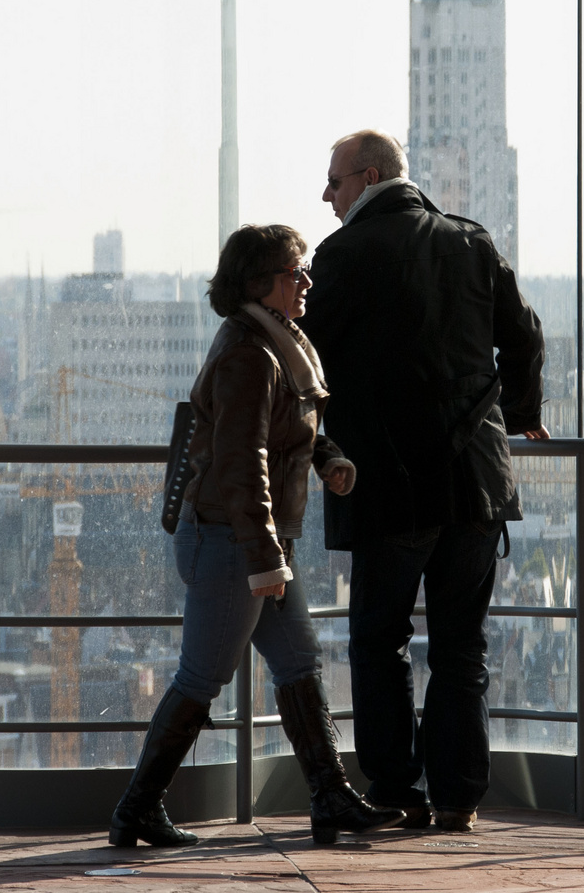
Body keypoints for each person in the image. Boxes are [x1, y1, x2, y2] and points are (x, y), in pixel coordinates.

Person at [109, 224, 403, 848]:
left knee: (298, 663)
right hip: (234, 542)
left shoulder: (279, 343)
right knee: (201, 676)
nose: (305, 282)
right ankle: (136, 809)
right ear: (258, 282)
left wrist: (328, 458)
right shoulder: (249, 354)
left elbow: (287, 425)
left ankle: (330, 798)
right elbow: (243, 463)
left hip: (256, 541)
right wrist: (266, 556)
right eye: (294, 273)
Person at [300, 130, 547, 834]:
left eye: (335, 181)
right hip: (474, 483)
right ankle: (459, 796)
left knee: (379, 644)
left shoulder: (342, 255)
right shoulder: (472, 242)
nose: (327, 194)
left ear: (369, 176)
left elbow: (306, 362)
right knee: (461, 646)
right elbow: (524, 336)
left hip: (386, 486)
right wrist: (522, 415)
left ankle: (394, 789)